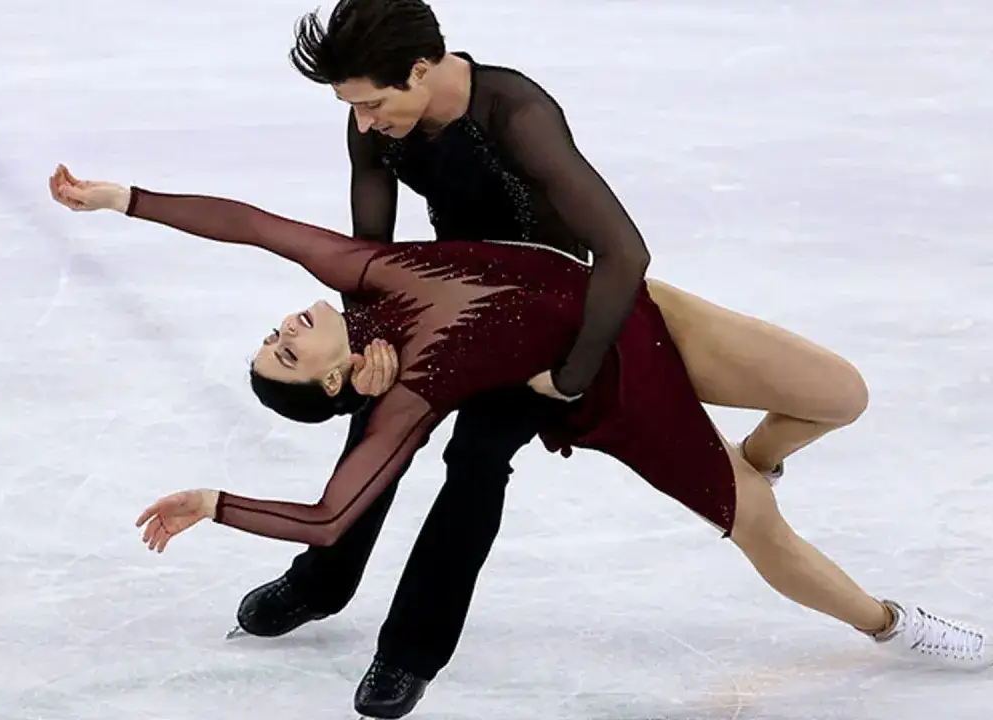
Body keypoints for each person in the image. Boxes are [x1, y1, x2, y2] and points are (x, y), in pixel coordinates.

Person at [47, 165, 993, 713]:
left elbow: (250, 223)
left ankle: (758, 453)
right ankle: (895, 625)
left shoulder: (363, 269)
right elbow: (332, 514)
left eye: (275, 340)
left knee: (841, 395)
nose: (282, 332)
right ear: (337, 382)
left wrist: (120, 200)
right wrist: (214, 504)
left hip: (644, 310)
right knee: (757, 526)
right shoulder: (406, 394)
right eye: (287, 357)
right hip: (614, 393)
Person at [238, 1, 871, 715]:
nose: (361, 123)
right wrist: (367, 340)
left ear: (419, 70)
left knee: (476, 458)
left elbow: (623, 251)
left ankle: (408, 652)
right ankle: (324, 581)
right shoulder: (377, 111)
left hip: (549, 331)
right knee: (375, 419)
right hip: (450, 300)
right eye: (350, 107)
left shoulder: (517, 114)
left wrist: (570, 378)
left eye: (372, 105)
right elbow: (369, 253)